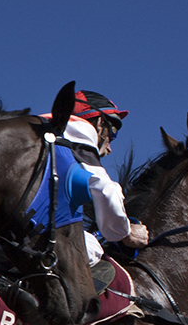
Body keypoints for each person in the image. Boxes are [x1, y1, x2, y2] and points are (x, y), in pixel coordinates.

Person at [61, 89, 148, 268]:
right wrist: (127, 233)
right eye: (112, 134)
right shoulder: (77, 130)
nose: (109, 148)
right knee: (92, 246)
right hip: (24, 239)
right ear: (100, 122)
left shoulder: (36, 131)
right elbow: (105, 189)